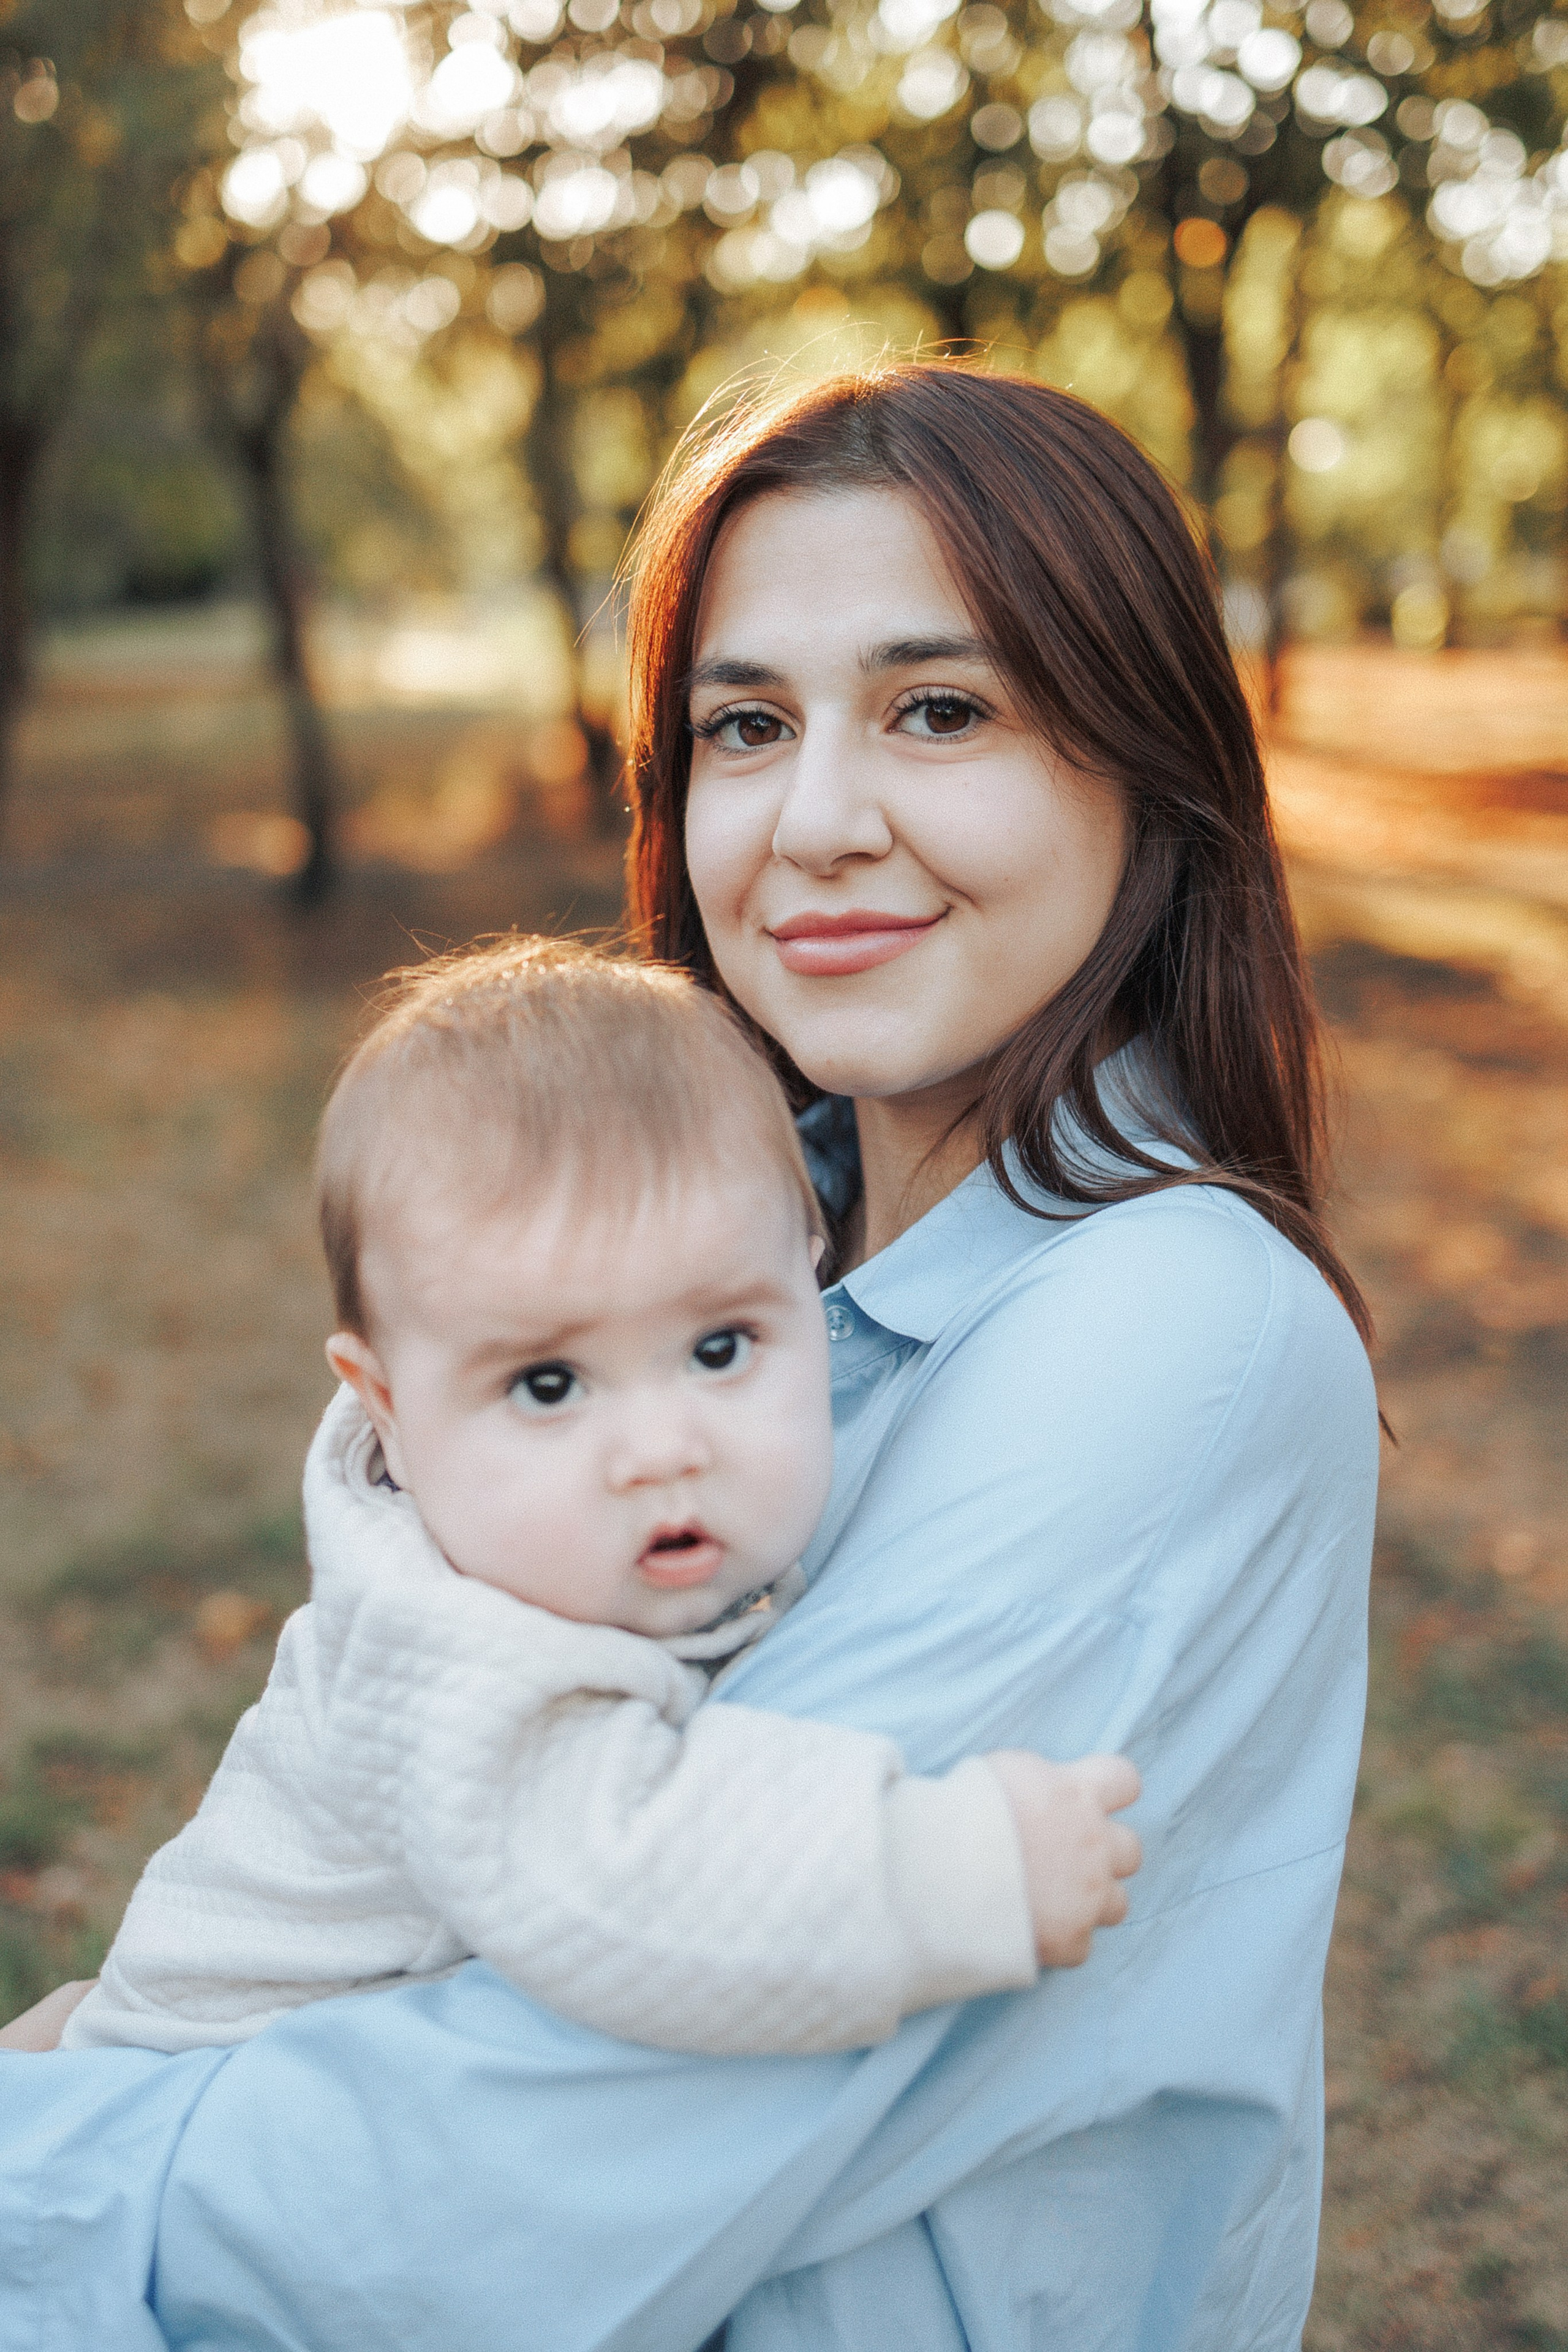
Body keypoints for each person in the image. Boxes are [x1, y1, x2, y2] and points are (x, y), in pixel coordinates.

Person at [0, 363, 1379, 2352]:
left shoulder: (1166, 1321)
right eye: (747, 724)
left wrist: (54, 2152)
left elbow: (559, 2141)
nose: (815, 820)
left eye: (939, 709)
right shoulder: (733, 1268)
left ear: (1144, 766)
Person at [59, 938, 1138, 2059]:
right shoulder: (455, 1659)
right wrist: (962, 1872)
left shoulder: (544, 1554)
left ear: (813, 1284)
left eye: (720, 1348)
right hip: (174, 2130)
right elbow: (631, 1898)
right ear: (386, 1411)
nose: (661, 1451)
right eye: (548, 1384)